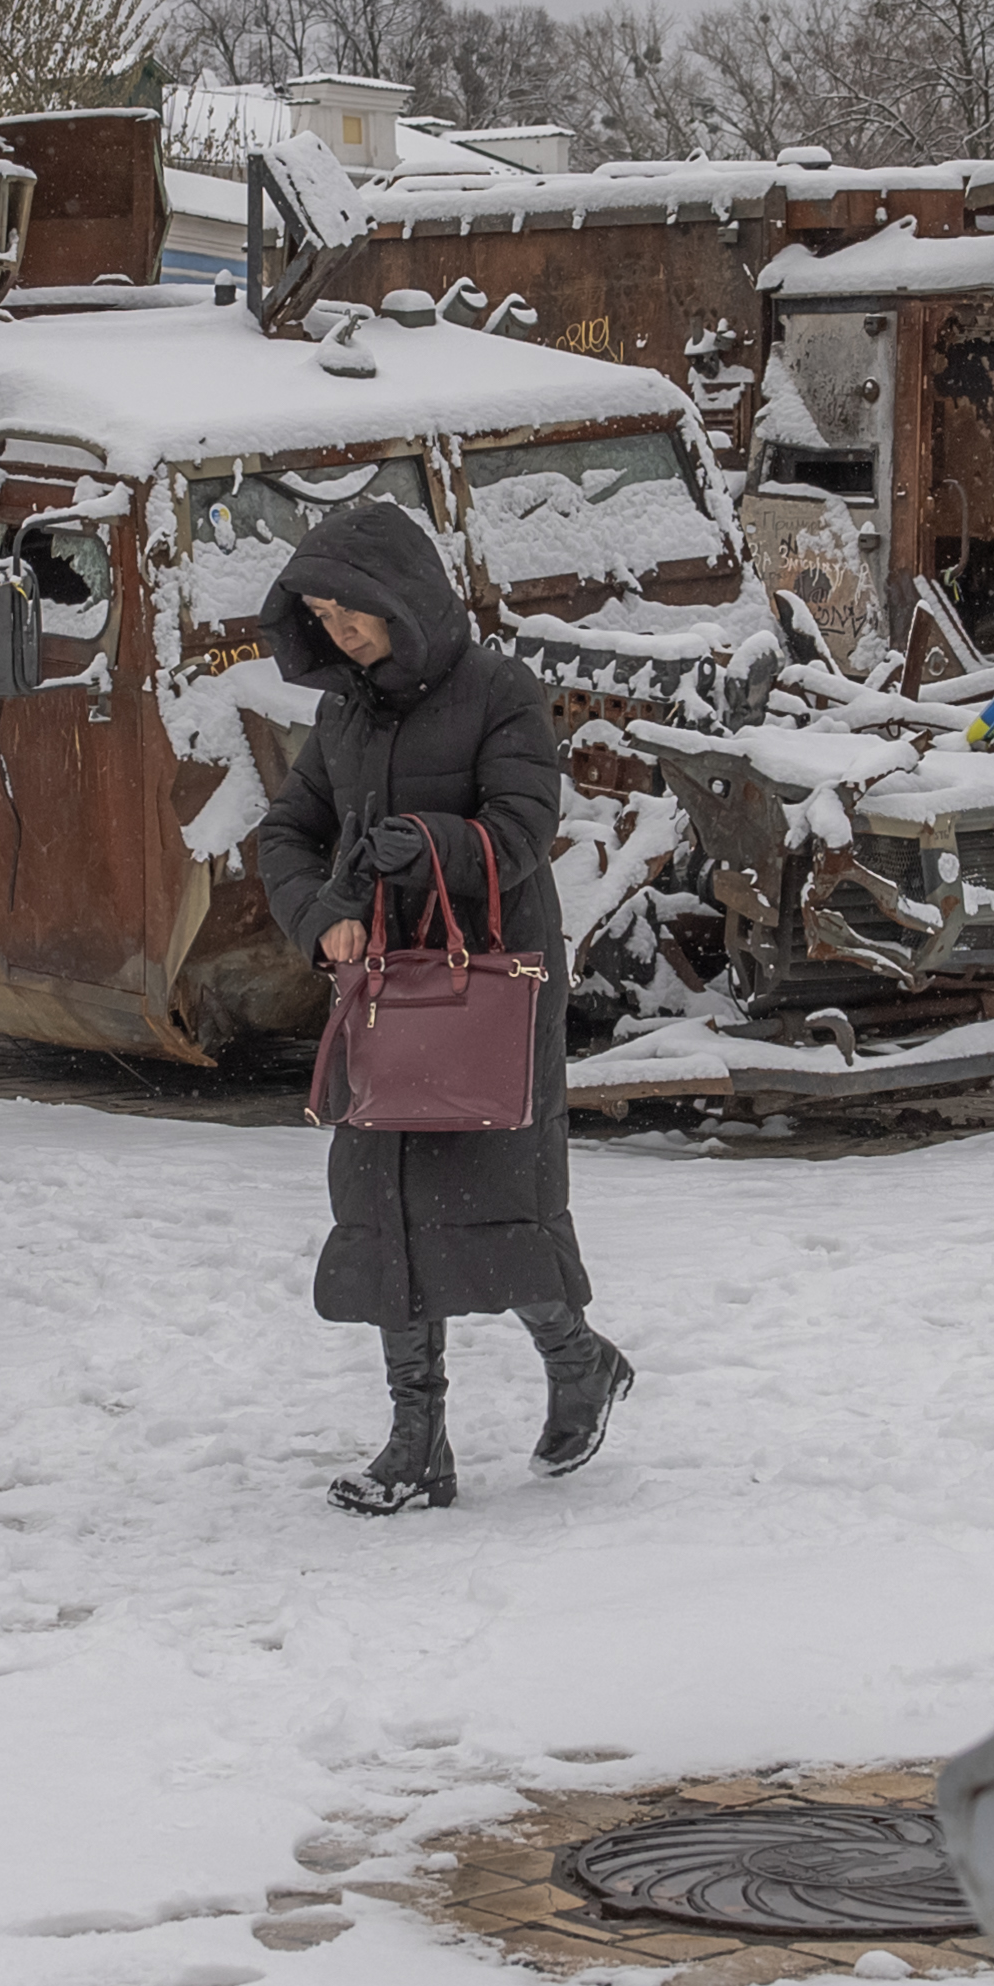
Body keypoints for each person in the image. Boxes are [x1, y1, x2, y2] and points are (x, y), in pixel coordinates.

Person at [248, 498, 629, 1515]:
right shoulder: (343, 712)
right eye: (321, 616)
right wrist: (320, 918)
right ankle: (417, 1445)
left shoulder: (499, 689)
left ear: (402, 597)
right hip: (384, 990)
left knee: (493, 1203)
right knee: (385, 1210)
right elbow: (285, 835)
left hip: (492, 986)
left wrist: (434, 843)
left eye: (351, 612)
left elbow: (520, 826)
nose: (339, 633)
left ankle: (578, 1358)